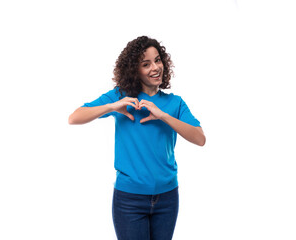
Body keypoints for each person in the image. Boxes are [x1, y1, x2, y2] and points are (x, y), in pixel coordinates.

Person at [68, 36, 206, 240]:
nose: (155, 68)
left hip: (167, 198)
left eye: (158, 60)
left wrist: (164, 116)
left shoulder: (174, 103)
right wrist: (112, 106)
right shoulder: (121, 97)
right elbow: (74, 117)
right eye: (146, 64)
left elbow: (200, 138)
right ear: (134, 70)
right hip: (129, 200)